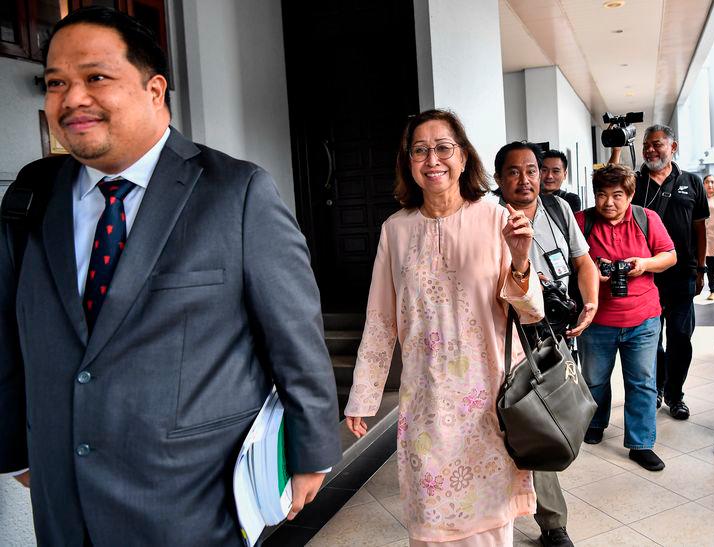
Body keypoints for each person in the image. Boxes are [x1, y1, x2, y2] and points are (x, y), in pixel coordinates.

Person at [0, 8, 340, 545]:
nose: (72, 99)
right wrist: (16, 447)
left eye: (96, 78)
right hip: (65, 500)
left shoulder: (236, 193)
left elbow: (295, 338)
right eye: (56, 83)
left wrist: (311, 453)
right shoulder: (32, 195)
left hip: (191, 499)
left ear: (154, 89)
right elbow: (10, 333)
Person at [344, 109, 544, 546]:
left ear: (463, 156)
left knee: (489, 531)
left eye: (442, 148)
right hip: (425, 407)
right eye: (420, 150)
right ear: (408, 162)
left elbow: (531, 311)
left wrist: (522, 259)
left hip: (487, 403)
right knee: (430, 528)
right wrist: (364, 395)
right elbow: (380, 321)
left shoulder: (495, 218)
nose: (431, 159)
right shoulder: (394, 231)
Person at [490, 141, 599, 547]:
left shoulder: (558, 210)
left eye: (532, 170)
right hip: (504, 333)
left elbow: (582, 260)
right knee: (520, 421)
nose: (525, 179)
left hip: (550, 330)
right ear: (498, 179)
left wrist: (590, 300)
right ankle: (550, 522)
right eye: (514, 172)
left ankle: (552, 522)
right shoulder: (488, 217)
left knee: (544, 416)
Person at [576, 164, 676, 471]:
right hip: (597, 320)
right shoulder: (583, 221)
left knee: (643, 383)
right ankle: (594, 425)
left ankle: (641, 443)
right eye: (602, 195)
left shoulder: (648, 219)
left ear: (630, 194)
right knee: (593, 380)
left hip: (643, 318)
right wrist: (594, 268)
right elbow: (569, 260)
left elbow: (669, 256)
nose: (608, 202)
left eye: (617, 195)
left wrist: (643, 264)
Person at [612, 125, 709, 419]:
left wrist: (701, 267)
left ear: (673, 146)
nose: (651, 150)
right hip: (644, 275)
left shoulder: (692, 182)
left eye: (657, 144)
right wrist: (617, 147)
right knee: (650, 339)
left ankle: (676, 394)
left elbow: (700, 228)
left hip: (681, 275)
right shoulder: (633, 182)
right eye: (646, 146)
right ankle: (656, 389)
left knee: (681, 337)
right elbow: (610, 183)